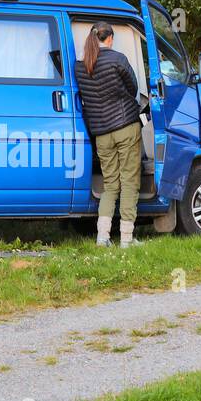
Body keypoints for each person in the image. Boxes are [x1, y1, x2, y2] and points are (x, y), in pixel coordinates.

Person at [76, 22, 143, 247]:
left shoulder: (80, 66)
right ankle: (126, 238)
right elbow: (133, 88)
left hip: (101, 133)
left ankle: (102, 237)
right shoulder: (117, 59)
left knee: (110, 184)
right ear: (110, 38)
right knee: (129, 181)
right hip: (125, 126)